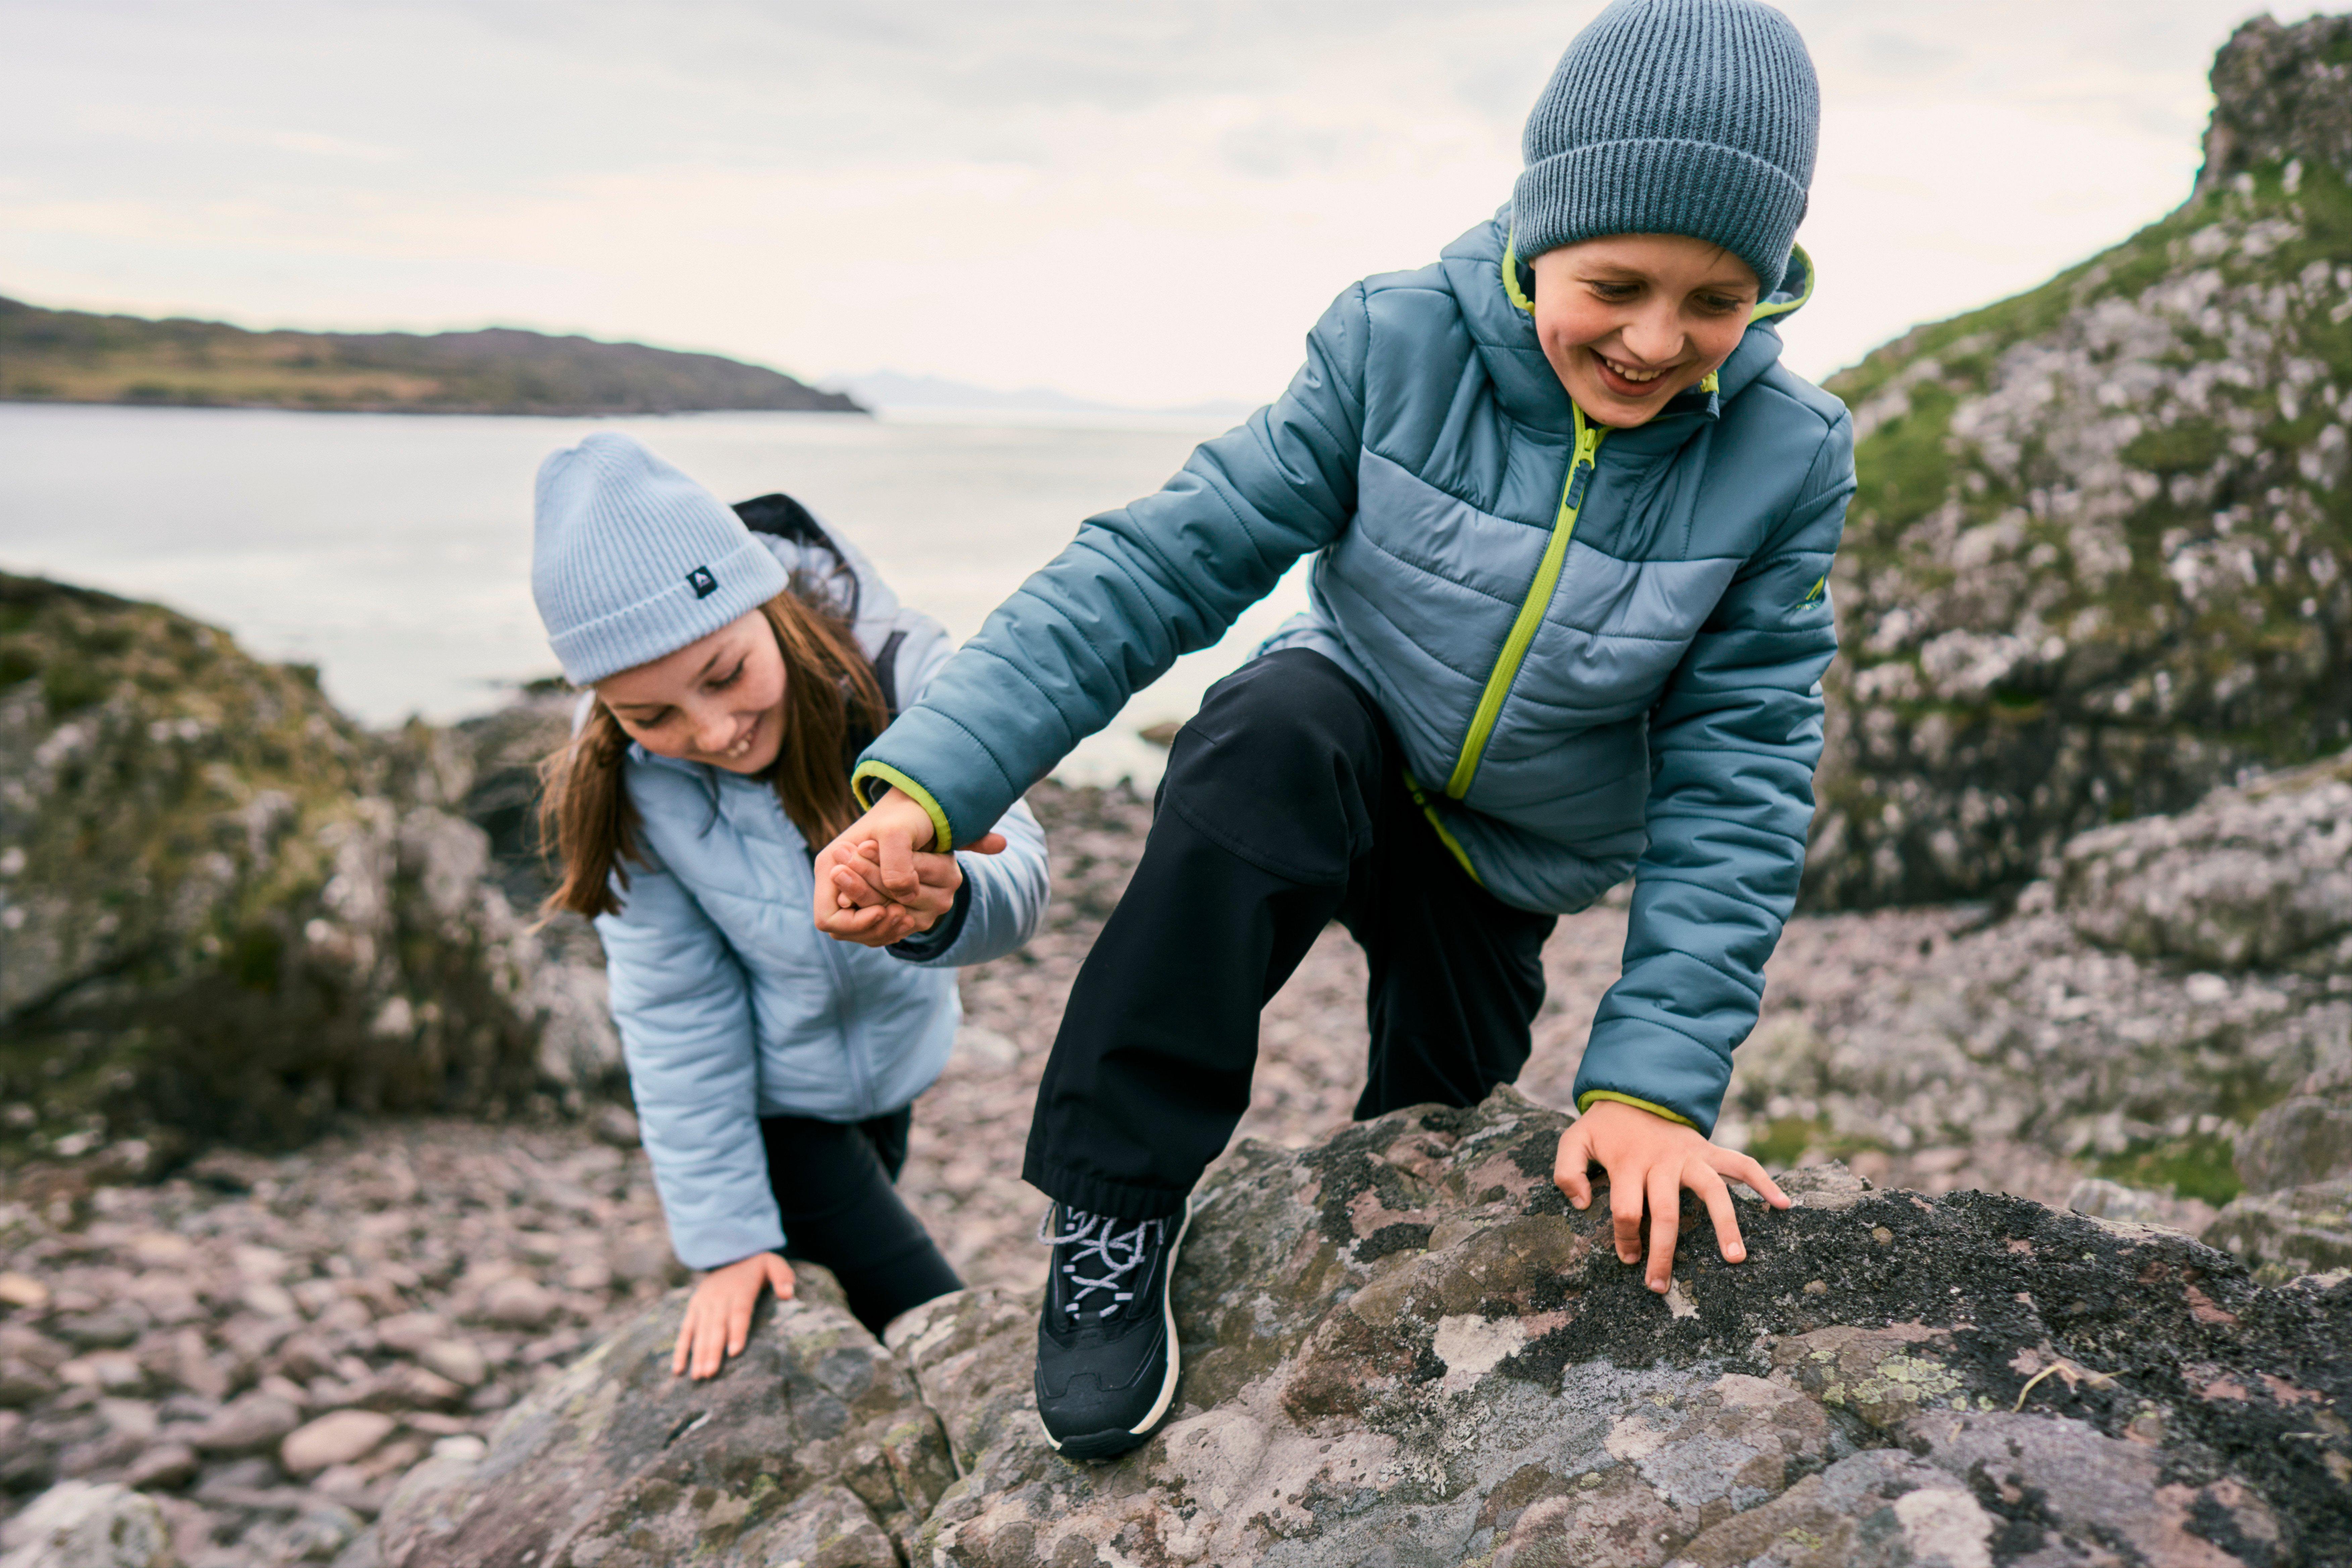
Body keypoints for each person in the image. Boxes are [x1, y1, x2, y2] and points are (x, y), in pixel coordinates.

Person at [818, 0, 1843, 1459]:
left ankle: (1385, 1208)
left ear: (1770, 291)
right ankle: (1113, 1201)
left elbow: (1740, 781)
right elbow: (1156, 566)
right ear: (1536, 230)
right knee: (1260, 727)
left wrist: (1649, 1094)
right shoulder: (1393, 341)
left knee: (1432, 1127)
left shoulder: (1786, 457)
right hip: (1345, 735)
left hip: (1513, 860)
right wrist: (930, 784)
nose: (1657, 340)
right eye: (1617, 282)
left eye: (1718, 300)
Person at [530, 432, 1049, 1375]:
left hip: (896, 1075)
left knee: (838, 1318)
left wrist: (949, 897)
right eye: (651, 716)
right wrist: (725, 1240)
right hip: (773, 1114)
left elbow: (1025, 864)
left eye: (724, 676)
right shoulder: (628, 784)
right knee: (940, 1332)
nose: (715, 731)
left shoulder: (900, 675)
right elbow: (676, 1009)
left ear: (765, 604)